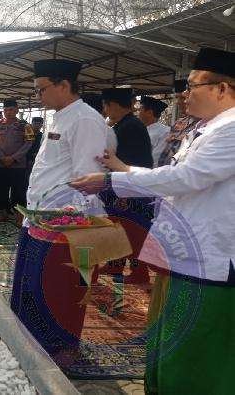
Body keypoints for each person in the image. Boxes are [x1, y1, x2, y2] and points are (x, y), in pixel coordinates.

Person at [70, 47, 235, 395]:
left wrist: (111, 180)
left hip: (210, 259)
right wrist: (123, 171)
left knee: (196, 352)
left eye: (193, 86)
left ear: (222, 88)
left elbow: (186, 178)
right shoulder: (206, 129)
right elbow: (173, 175)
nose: (184, 94)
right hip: (186, 252)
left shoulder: (231, 130)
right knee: (169, 338)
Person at [11, 59, 108, 357]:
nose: (37, 96)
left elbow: (88, 179)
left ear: (64, 85)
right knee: (30, 288)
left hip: (63, 227)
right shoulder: (58, 117)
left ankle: (54, 353)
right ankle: (29, 344)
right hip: (40, 220)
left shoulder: (85, 120)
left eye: (41, 89)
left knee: (56, 292)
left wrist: (65, 224)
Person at [101, 87, 154, 285]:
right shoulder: (125, 124)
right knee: (119, 228)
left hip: (131, 187)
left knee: (133, 231)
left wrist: (124, 192)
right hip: (124, 185)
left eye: (106, 107)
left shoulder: (130, 126)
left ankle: (139, 273)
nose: (105, 111)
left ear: (113, 105)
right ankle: (115, 264)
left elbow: (129, 162)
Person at [0, 99, 35, 220]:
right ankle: (3, 213)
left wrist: (14, 158)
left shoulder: (25, 125)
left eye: (11, 110)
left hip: (18, 164)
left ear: (17, 110)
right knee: (0, 189)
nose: (8, 112)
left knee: (19, 190)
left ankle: (19, 216)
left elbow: (29, 143)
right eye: (6, 110)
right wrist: (2, 157)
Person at [157, 79, 200, 167]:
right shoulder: (178, 123)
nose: (178, 102)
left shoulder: (204, 126)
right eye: (177, 97)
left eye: (183, 98)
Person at [138, 95, 170, 167]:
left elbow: (156, 159)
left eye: (140, 110)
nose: (138, 113)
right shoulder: (139, 130)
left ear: (149, 113)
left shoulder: (165, 131)